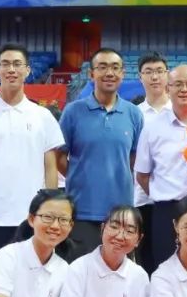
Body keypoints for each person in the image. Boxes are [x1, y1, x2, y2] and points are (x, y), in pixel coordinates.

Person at [0, 43, 64, 283]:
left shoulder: (42, 116)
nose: (11, 69)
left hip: (32, 218)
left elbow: (51, 168)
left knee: (32, 283)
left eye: (17, 64)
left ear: (27, 70)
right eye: (5, 64)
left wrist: (50, 214)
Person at [135, 65, 187, 274]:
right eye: (178, 84)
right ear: (168, 88)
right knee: (165, 272)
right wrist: (163, 195)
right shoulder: (153, 127)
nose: (184, 89)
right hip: (167, 213)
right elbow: (142, 175)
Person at [57, 49, 143, 252]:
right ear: (91, 74)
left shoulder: (134, 113)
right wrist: (81, 175)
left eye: (115, 68)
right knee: (81, 269)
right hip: (81, 210)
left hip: (121, 212)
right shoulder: (73, 111)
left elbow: (134, 158)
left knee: (118, 269)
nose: (109, 73)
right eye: (102, 67)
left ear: (122, 73)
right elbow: (59, 156)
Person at [134, 51, 171, 271]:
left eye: (159, 71)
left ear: (167, 75)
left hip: (172, 198)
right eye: (148, 72)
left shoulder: (179, 111)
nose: (154, 77)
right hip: (141, 199)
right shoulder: (134, 114)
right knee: (146, 260)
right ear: (140, 77)